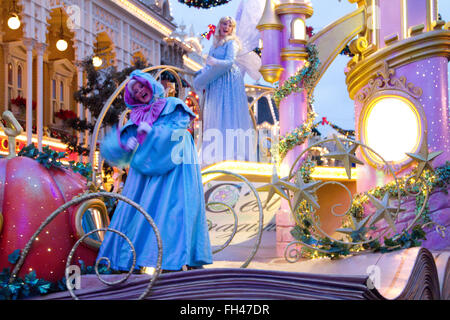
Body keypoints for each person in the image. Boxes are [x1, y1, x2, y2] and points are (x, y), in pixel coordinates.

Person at [97, 69, 213, 272]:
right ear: (131, 96)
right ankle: (129, 259)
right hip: (145, 177)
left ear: (150, 85)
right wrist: (129, 144)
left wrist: (152, 135)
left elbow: (179, 130)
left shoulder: (172, 105)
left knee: (174, 212)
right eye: (135, 89)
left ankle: (176, 259)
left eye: (141, 85)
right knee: (138, 213)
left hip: (175, 171)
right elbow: (115, 150)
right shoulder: (136, 117)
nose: (140, 90)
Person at [194, 16, 255, 165]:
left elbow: (229, 62)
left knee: (227, 111)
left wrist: (215, 62)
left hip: (228, 80)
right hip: (216, 82)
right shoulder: (214, 45)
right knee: (215, 111)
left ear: (232, 28)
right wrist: (202, 72)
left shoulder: (231, 43)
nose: (226, 27)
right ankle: (214, 152)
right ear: (219, 25)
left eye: (229, 25)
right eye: (224, 24)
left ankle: (231, 152)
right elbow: (209, 65)